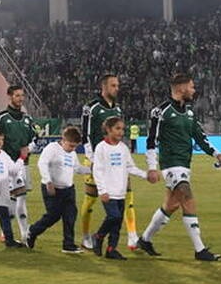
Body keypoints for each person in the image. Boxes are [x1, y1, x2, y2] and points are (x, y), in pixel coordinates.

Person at [138, 73, 221, 261]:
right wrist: (152, 167)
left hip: (185, 164)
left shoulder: (189, 113)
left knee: (171, 205)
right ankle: (200, 250)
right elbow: (151, 140)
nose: (194, 91)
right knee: (187, 198)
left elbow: (200, 137)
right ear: (181, 88)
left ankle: (145, 240)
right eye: (191, 87)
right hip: (171, 164)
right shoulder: (160, 111)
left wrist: (216, 154)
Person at [80, 74, 139, 250]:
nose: (117, 89)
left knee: (127, 197)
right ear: (104, 87)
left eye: (117, 85)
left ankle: (132, 235)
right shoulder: (91, 108)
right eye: (113, 86)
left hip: (117, 161)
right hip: (96, 159)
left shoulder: (118, 110)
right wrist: (91, 159)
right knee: (90, 200)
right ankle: (85, 236)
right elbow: (86, 134)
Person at [92, 117, 151, 260]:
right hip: (108, 192)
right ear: (108, 129)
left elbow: (130, 167)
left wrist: (145, 175)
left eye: (122, 129)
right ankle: (98, 236)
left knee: (117, 224)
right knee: (114, 216)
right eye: (118, 128)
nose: (121, 132)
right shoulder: (101, 147)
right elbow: (97, 170)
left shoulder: (123, 148)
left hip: (121, 192)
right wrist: (102, 190)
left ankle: (111, 249)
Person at [27, 126, 90, 253]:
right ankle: (32, 231)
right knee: (53, 216)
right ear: (63, 140)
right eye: (71, 145)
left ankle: (68, 244)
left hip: (68, 190)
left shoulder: (72, 153)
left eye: (75, 146)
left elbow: (77, 168)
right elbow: (42, 163)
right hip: (52, 188)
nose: (73, 149)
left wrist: (92, 169)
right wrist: (48, 181)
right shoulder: (52, 148)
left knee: (70, 215)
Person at [0, 85, 37, 242]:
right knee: (10, 199)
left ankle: (24, 234)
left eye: (22, 96)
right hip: (7, 166)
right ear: (9, 97)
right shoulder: (1, 118)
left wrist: (28, 148)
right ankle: (7, 231)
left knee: (21, 198)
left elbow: (35, 138)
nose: (21, 99)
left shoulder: (27, 119)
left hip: (24, 164)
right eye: (17, 95)